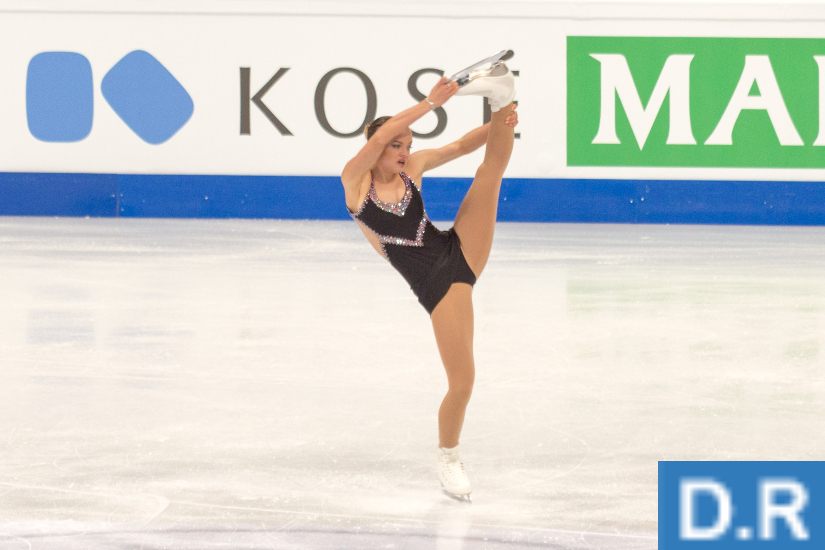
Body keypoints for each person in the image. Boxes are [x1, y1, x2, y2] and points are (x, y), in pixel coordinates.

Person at [341, 57, 517, 502]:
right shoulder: (354, 184)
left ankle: (502, 94)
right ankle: (448, 456)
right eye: (394, 145)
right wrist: (429, 102)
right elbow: (380, 133)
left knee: (489, 172)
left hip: (458, 251)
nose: (402, 151)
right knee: (463, 382)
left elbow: (460, 146)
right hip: (434, 284)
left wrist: (503, 123)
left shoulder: (412, 169)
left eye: (407, 144)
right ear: (373, 146)